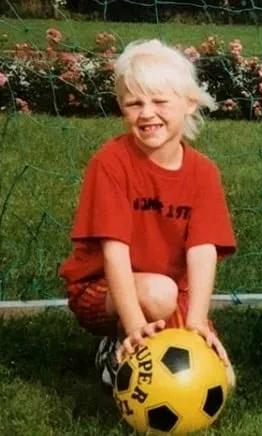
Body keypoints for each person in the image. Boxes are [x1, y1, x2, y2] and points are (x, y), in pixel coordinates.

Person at [59, 39, 237, 390]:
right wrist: (135, 324)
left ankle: (154, 332)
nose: (147, 113)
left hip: (172, 293)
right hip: (103, 290)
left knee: (221, 380)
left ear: (188, 104)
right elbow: (114, 252)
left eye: (159, 102)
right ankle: (115, 343)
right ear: (122, 108)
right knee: (157, 294)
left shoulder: (203, 173)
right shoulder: (110, 163)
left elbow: (202, 251)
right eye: (134, 103)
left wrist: (198, 320)